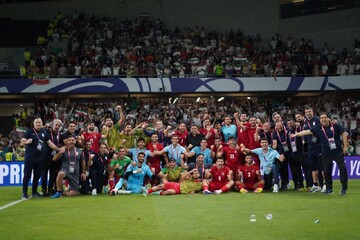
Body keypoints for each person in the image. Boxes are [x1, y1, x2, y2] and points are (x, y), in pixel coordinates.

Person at [292, 113, 348, 195]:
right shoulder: (318, 127)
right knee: (326, 171)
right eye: (321, 118)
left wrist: (345, 146)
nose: (323, 119)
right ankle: (329, 189)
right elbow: (307, 132)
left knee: (342, 168)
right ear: (320, 120)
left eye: (325, 117)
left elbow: (344, 133)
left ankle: (344, 188)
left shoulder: (335, 125)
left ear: (328, 118)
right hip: (326, 153)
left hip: (337, 152)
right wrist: (296, 134)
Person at [21, 118, 60, 199]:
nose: (38, 124)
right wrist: (26, 142)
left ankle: (34, 192)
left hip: (40, 158)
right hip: (30, 158)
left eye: (39, 122)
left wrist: (58, 149)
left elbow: (49, 143)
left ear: (42, 123)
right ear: (34, 123)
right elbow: (22, 140)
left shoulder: (44, 132)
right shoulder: (29, 131)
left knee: (37, 176)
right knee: (27, 176)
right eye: (36, 122)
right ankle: (24, 193)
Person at [41, 119, 62, 196]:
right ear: (52, 124)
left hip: (55, 157)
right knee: (44, 174)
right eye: (56, 125)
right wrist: (45, 126)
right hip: (45, 156)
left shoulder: (60, 135)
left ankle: (50, 189)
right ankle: (43, 190)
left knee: (53, 174)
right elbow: (39, 130)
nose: (57, 127)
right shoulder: (46, 132)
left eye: (59, 125)